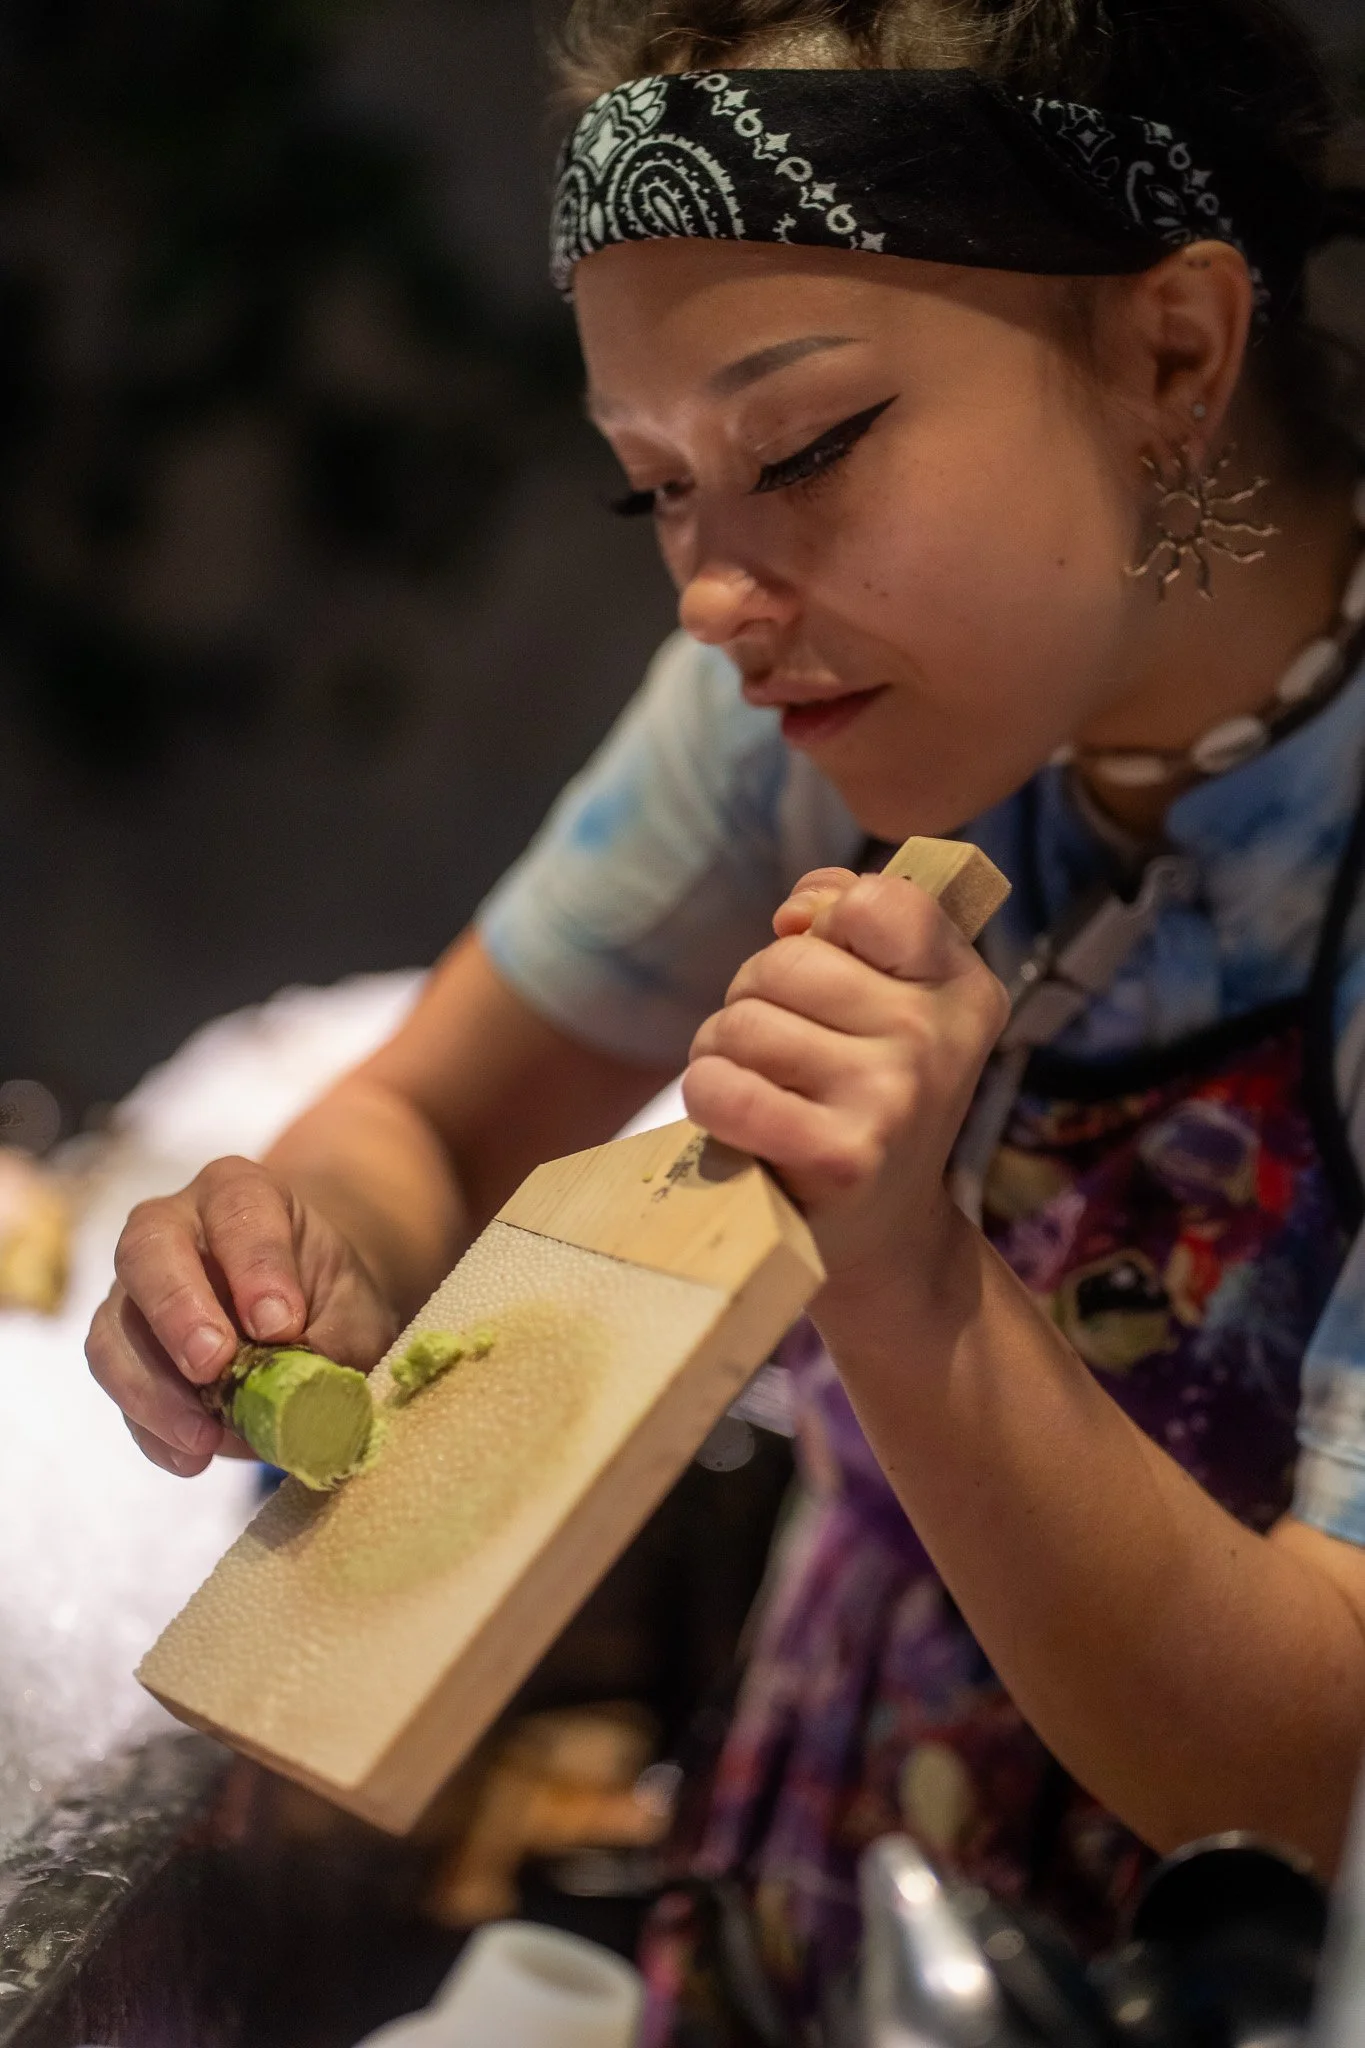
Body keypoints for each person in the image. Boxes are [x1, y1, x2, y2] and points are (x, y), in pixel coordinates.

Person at [87, 0, 1365, 2031]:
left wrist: (910, 1283)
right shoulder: (799, 704)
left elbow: (1312, 1777)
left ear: (1172, 354)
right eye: (657, 491)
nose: (710, 595)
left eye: (804, 450)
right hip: (791, 1920)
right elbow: (431, 1122)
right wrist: (300, 1253)